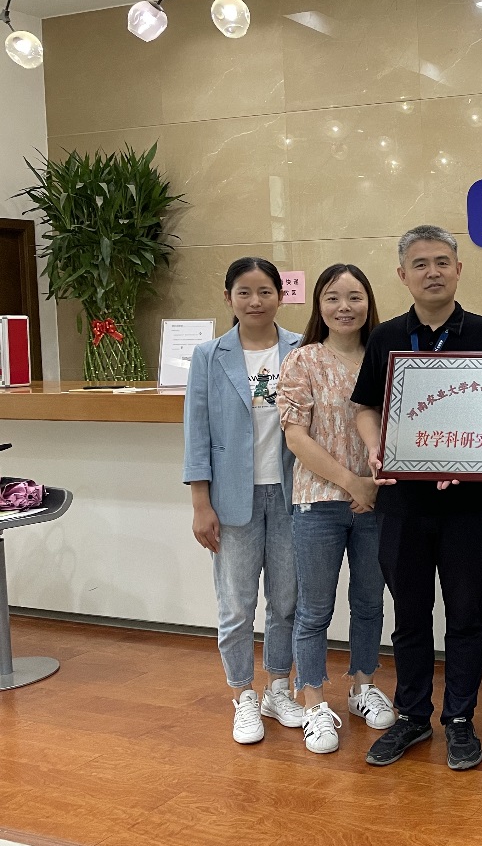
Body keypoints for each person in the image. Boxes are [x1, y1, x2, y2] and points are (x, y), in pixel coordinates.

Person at [352, 225, 482, 770]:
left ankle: (460, 719)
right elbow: (366, 407)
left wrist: (466, 457)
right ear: (403, 275)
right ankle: (413, 716)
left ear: (459, 269)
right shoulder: (386, 336)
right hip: (403, 503)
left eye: (443, 262)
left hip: (467, 503)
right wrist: (375, 447)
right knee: (410, 615)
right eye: (420, 264)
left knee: (465, 614)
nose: (433, 272)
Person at [183, 257, 306, 744]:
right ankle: (242, 694)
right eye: (244, 292)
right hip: (232, 497)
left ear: (281, 295)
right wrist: (200, 503)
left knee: (287, 600)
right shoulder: (208, 356)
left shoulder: (302, 347)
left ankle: (278, 688)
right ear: (229, 297)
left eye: (265, 291)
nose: (255, 301)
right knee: (236, 605)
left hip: (292, 493)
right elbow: (197, 432)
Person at [276, 263, 395, 755]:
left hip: (378, 503)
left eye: (354, 297)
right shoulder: (302, 360)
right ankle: (313, 702)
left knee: (369, 602)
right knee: (314, 609)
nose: (344, 307)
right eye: (332, 297)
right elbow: (295, 437)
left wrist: (372, 487)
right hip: (318, 503)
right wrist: (352, 483)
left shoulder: (386, 357)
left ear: (369, 302)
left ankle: (362, 687)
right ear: (318, 305)